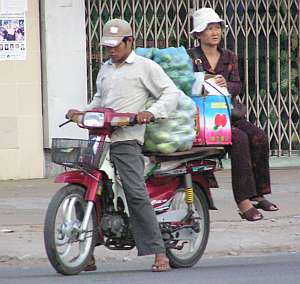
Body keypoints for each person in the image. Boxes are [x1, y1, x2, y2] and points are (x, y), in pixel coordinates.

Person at [66, 19, 180, 272]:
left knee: (135, 192)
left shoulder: (145, 67)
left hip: (127, 139)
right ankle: (87, 252)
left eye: (116, 45)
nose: (111, 50)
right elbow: (98, 99)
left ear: (130, 42)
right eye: (107, 46)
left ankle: (159, 251)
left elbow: (170, 93)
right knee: (88, 189)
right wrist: (81, 112)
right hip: (100, 137)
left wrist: (151, 112)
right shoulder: (105, 68)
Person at [188, 8, 279, 221]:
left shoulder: (229, 56)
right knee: (238, 139)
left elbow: (238, 85)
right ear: (198, 34)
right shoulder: (190, 57)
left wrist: (225, 84)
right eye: (209, 29)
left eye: (217, 27)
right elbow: (183, 85)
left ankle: (258, 194)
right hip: (204, 119)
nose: (214, 32)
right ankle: (243, 201)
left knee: (258, 135)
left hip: (229, 114)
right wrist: (201, 85)